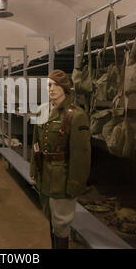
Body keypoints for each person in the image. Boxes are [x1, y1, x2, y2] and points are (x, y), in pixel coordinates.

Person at [30, 69, 91, 249]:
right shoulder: (41, 110)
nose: (52, 89)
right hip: (45, 177)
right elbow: (36, 144)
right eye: (49, 85)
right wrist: (34, 169)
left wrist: (75, 185)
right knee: (51, 219)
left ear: (65, 88)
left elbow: (81, 156)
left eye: (56, 85)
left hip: (62, 180)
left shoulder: (76, 115)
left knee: (62, 225)